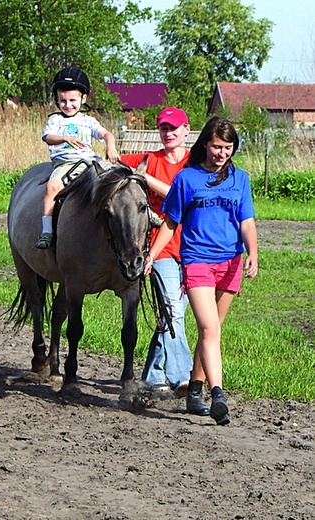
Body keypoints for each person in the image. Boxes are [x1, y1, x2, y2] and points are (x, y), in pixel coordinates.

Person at [144, 116, 258, 425]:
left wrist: (253, 254)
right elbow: (170, 223)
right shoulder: (187, 179)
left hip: (230, 262)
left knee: (212, 331)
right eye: (217, 147)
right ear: (205, 145)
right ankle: (217, 393)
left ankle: (194, 390)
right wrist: (152, 255)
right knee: (209, 329)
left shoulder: (241, 179)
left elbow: (247, 221)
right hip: (196, 261)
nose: (222, 153)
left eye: (228, 147)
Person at [121, 107, 208, 409]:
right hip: (161, 249)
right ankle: (184, 377)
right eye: (163, 128)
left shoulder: (196, 164)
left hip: (196, 249)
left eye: (174, 128)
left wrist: (145, 178)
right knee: (173, 311)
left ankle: (153, 376)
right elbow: (114, 166)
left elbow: (179, 195)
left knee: (170, 318)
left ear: (186, 130)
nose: (168, 133)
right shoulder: (150, 159)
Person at [35, 65, 119, 249]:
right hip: (67, 163)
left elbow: (106, 134)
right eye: (63, 101)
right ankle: (47, 231)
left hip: (89, 161)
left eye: (73, 100)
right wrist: (64, 138)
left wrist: (110, 146)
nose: (68, 105)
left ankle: (142, 212)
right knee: (52, 187)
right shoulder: (55, 120)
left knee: (122, 177)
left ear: (83, 98)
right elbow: (48, 138)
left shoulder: (88, 121)